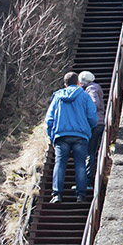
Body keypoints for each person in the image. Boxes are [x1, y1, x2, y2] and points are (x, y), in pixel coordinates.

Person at [44, 72, 98, 202]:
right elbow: (93, 117)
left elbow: (49, 119)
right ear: (78, 82)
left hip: (61, 135)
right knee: (80, 164)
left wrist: (52, 136)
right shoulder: (84, 96)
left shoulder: (57, 96)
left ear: (65, 84)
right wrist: (86, 129)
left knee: (60, 164)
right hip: (80, 136)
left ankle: (57, 195)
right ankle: (81, 195)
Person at [79, 70, 104, 187]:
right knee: (90, 151)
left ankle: (88, 181)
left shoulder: (91, 89)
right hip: (98, 123)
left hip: (95, 124)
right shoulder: (94, 87)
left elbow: (95, 103)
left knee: (90, 152)